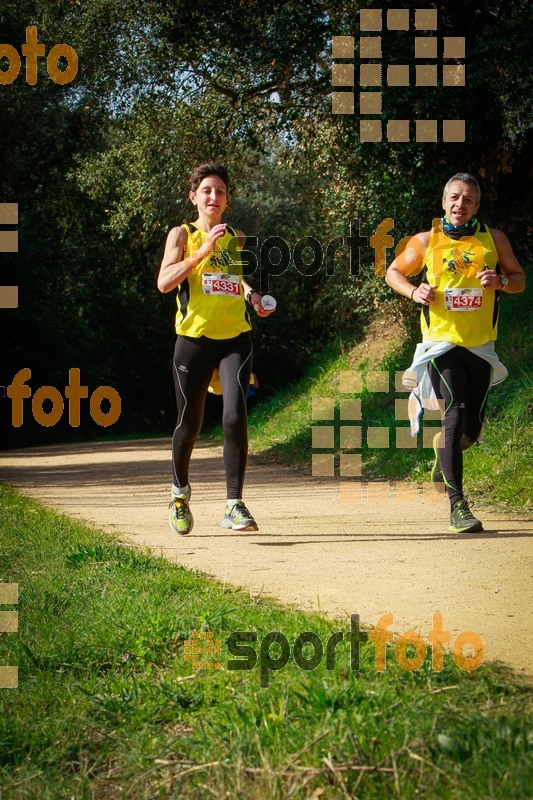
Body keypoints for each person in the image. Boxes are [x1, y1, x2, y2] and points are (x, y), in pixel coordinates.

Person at [386, 172, 525, 533]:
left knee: (470, 430)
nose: (459, 205)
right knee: (454, 411)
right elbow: (393, 273)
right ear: (443, 202)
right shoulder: (424, 240)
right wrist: (414, 291)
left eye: (467, 200)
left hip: (479, 346)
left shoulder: (493, 240)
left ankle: (443, 452)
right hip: (440, 344)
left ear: (476, 206)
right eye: (454, 198)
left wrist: (501, 282)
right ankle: (457, 506)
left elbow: (519, 279)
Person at [157, 163, 275, 535]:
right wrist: (200, 252)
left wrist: (253, 296)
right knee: (189, 424)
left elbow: (232, 280)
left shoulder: (236, 237)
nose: (214, 197)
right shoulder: (182, 234)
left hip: (235, 339)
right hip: (192, 342)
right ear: (193, 197)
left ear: (227, 198)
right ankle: (179, 495)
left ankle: (234, 504)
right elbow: (164, 282)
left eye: (220, 191)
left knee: (235, 415)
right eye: (206, 190)